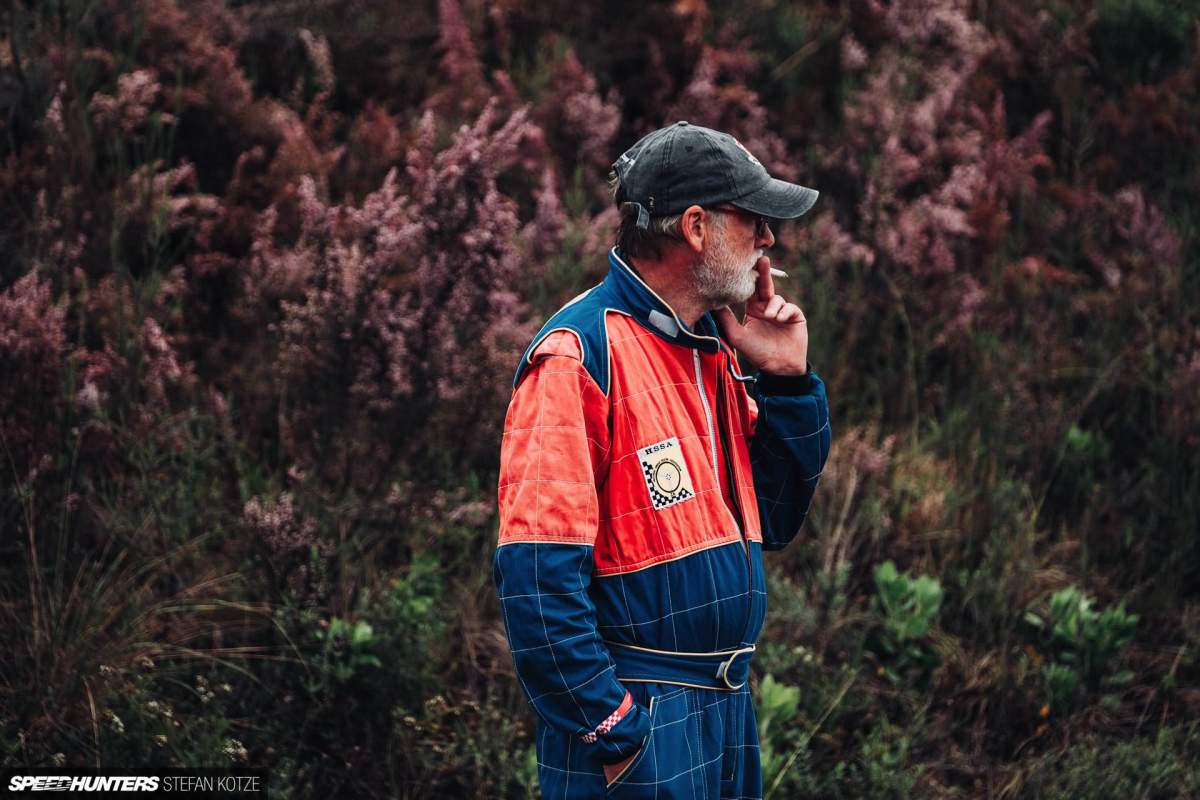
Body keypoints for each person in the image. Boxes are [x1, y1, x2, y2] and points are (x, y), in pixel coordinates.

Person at [493, 121, 831, 799]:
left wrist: (789, 383)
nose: (767, 240)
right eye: (753, 219)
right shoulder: (577, 356)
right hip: (641, 726)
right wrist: (616, 739)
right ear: (698, 227)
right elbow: (536, 579)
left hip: (726, 717)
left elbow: (775, 517)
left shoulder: (712, 348)